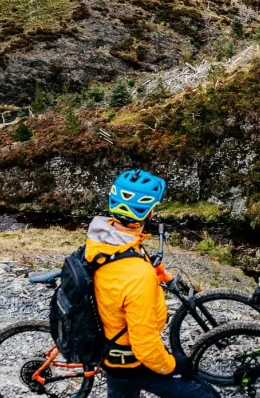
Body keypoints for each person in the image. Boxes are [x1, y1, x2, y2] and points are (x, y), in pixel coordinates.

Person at [84, 168, 218, 398]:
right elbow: (145, 345)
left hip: (110, 350)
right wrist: (173, 365)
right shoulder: (138, 275)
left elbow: (118, 280)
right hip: (131, 362)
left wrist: (154, 275)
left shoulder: (101, 241)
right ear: (150, 212)